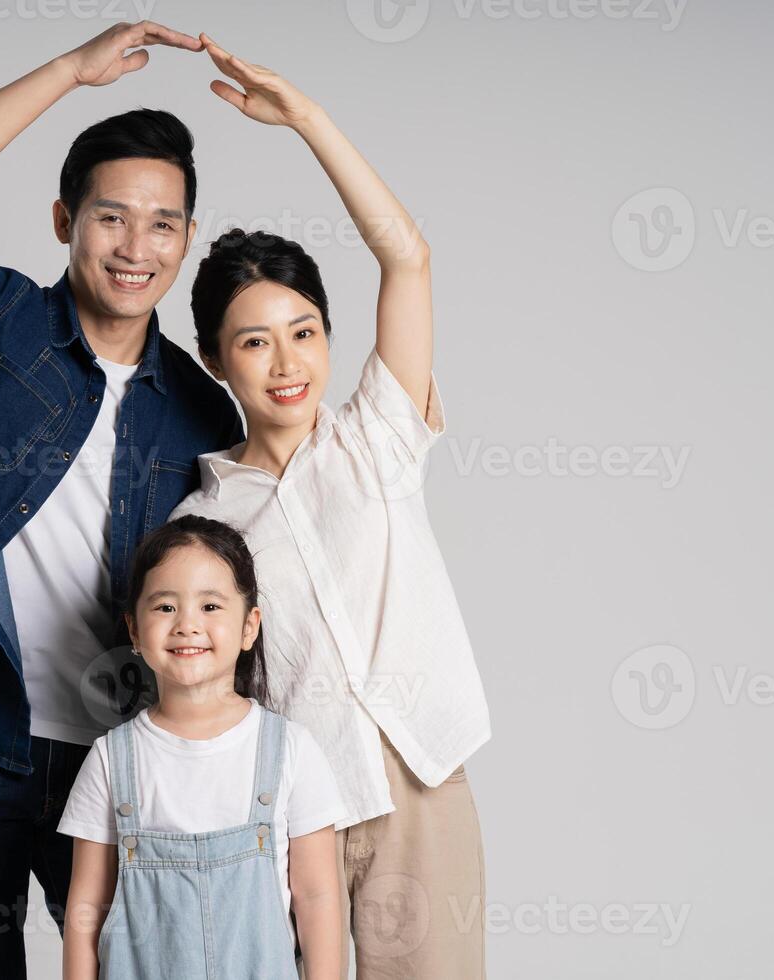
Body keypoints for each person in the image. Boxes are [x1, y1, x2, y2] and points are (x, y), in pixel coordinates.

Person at [0, 22, 244, 979]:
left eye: (163, 224)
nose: (136, 246)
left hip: (118, 754)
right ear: (64, 219)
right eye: (110, 216)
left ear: (188, 238)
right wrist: (71, 73)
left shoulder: (200, 408)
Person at [169, 35, 493, 978]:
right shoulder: (207, 521)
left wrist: (305, 118)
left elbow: (409, 257)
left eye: (304, 332)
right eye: (256, 342)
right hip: (286, 809)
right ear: (218, 361)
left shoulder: (376, 440)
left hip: (417, 780)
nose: (287, 362)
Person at [59, 515, 347, 980]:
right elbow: (86, 910)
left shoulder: (291, 750)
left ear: (249, 626)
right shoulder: (112, 760)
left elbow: (317, 898)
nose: (187, 625)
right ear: (134, 630)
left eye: (210, 606)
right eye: (165, 607)